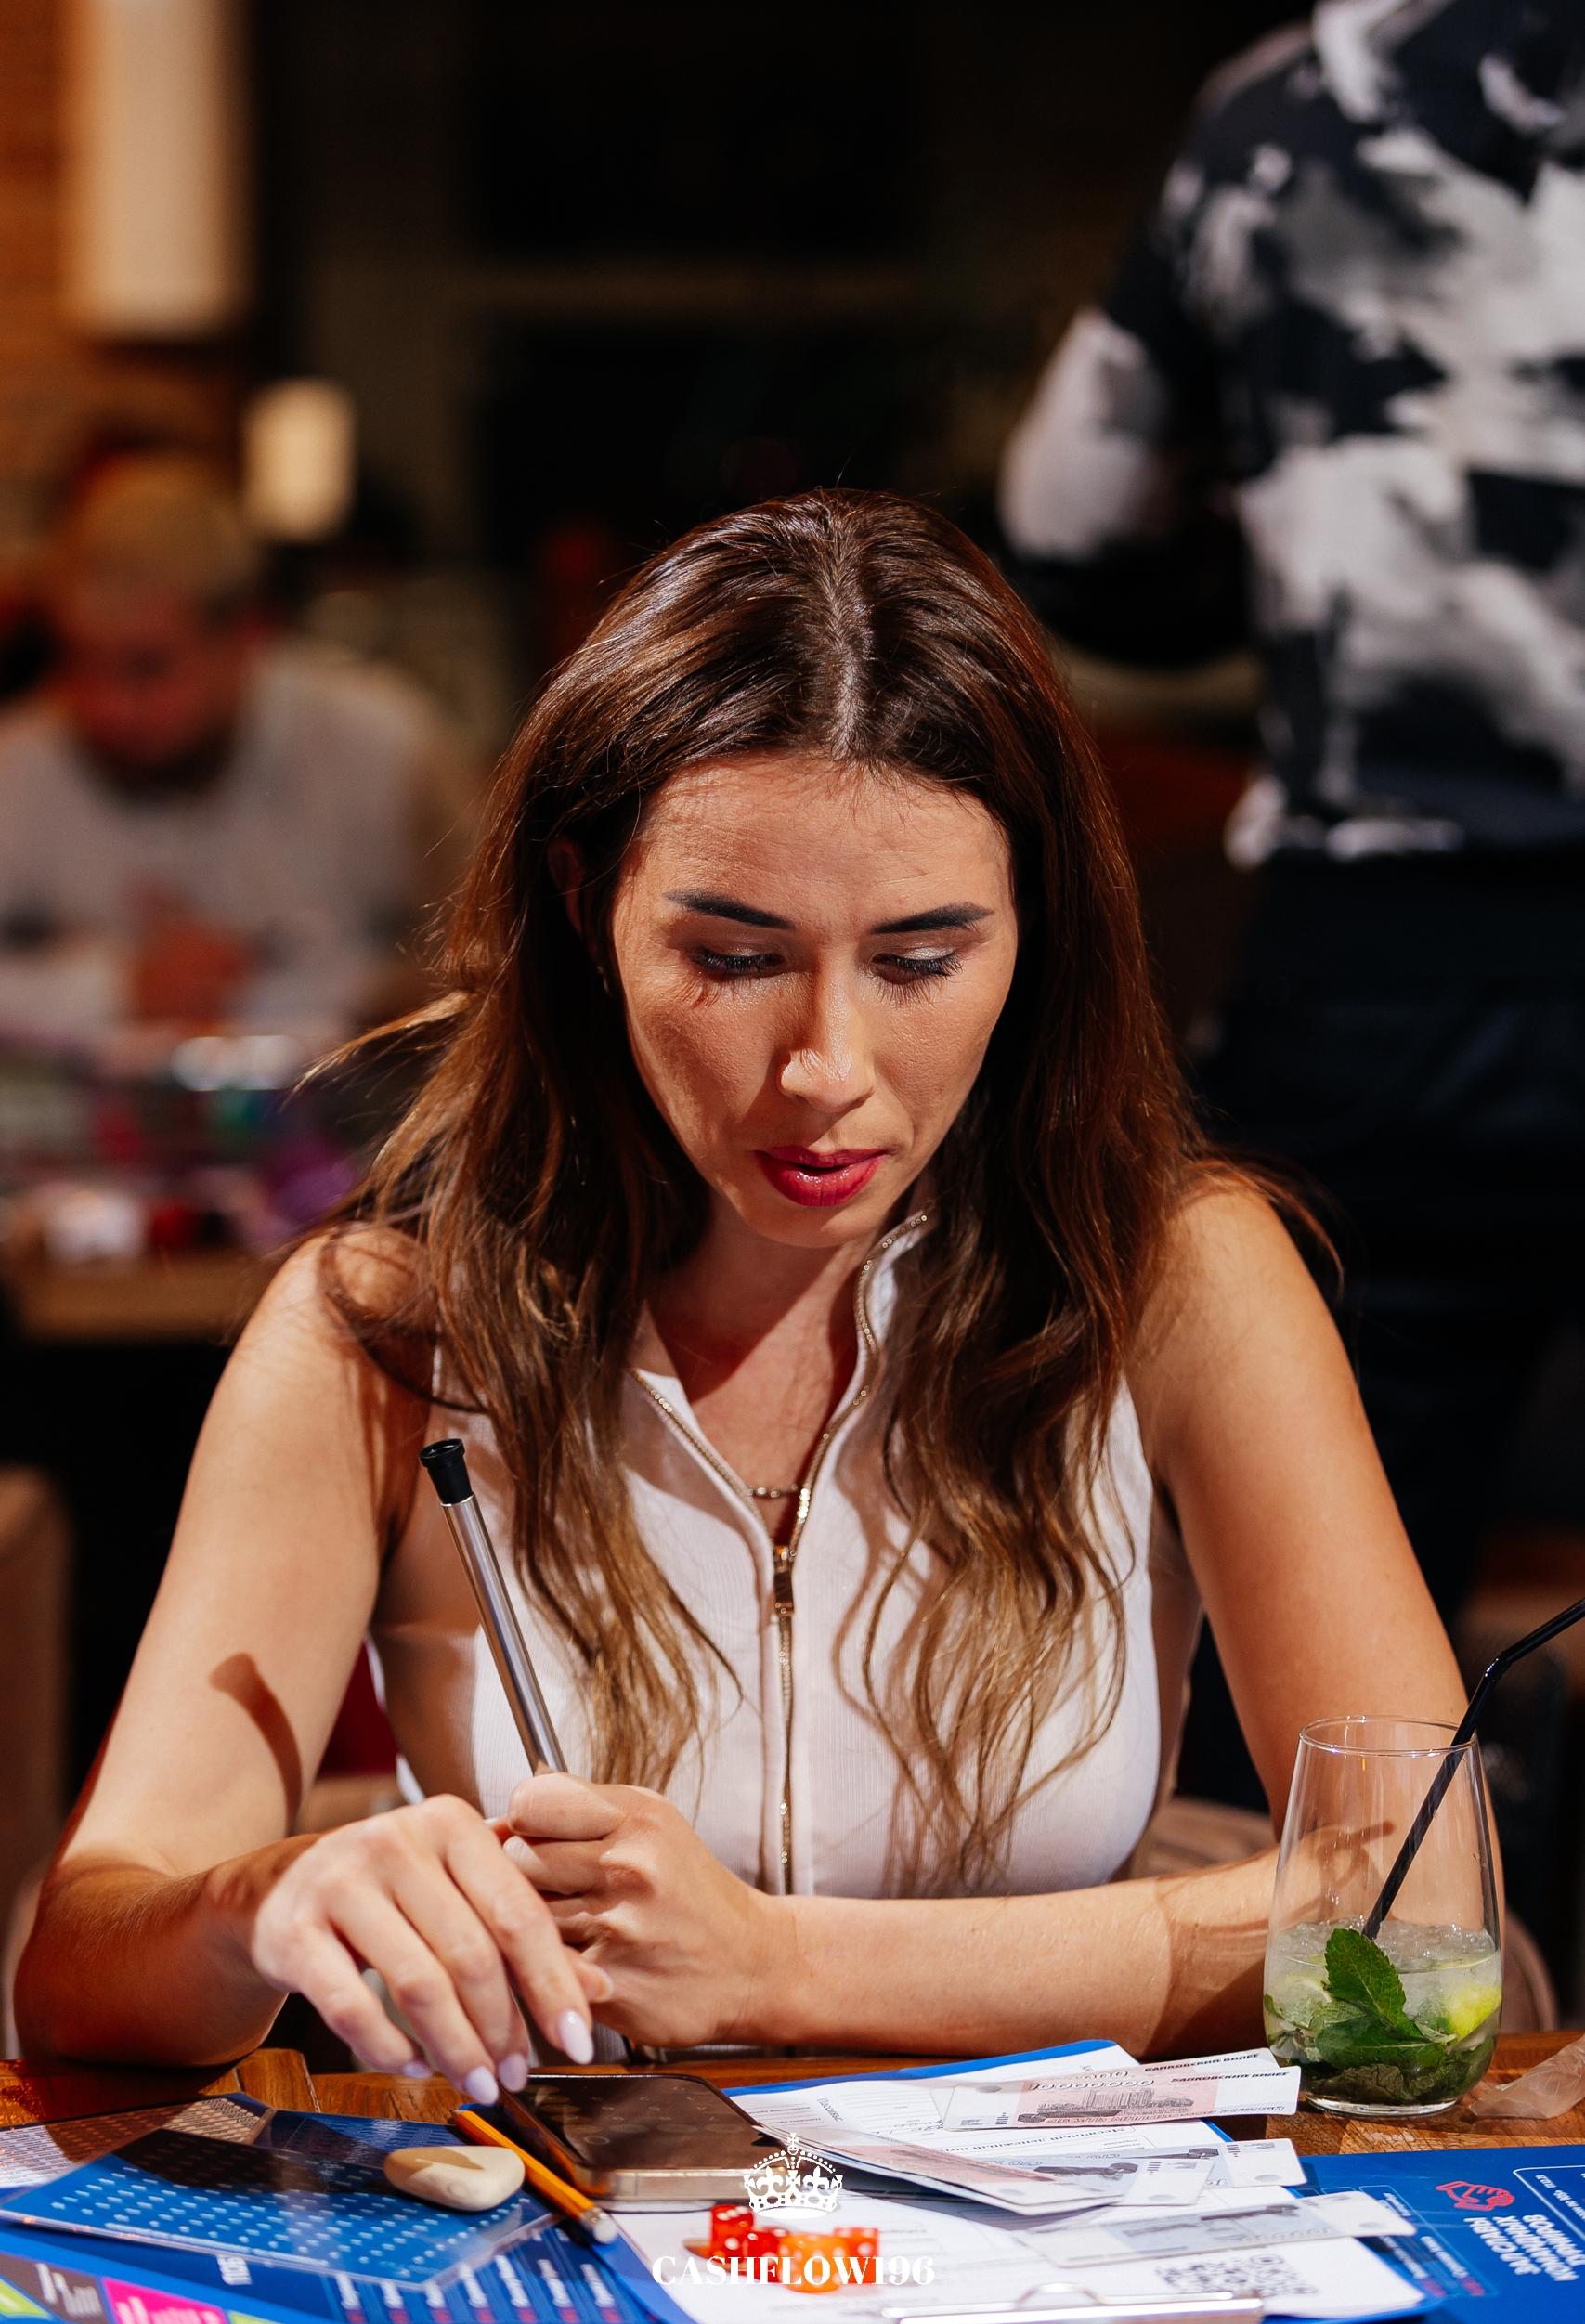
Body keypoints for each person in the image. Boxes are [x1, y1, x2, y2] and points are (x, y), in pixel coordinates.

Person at [15, 491, 1462, 2088]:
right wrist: (260, 1904)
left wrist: (773, 1963)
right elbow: (81, 1971)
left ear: (1033, 932)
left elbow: (1419, 1906)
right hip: (576, 2221)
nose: (825, 1069)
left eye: (919, 961)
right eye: (733, 958)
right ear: (586, 907)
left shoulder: (1177, 1280)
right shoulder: (386, 1329)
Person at [997, 1, 1585, 1781]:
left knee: (1310, 1655)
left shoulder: (1293, 108)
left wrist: (1302, 563)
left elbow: (1074, 523)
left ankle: (1346, 1960)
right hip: (1400, 957)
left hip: (1394, 948)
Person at [0, 456, 473, 1038]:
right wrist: (114, 987)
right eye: (79, 662)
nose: (107, 706)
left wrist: (356, 992)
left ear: (248, 634)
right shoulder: (20, 762)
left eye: (146, 667)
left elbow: (494, 958)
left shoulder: (384, 747)